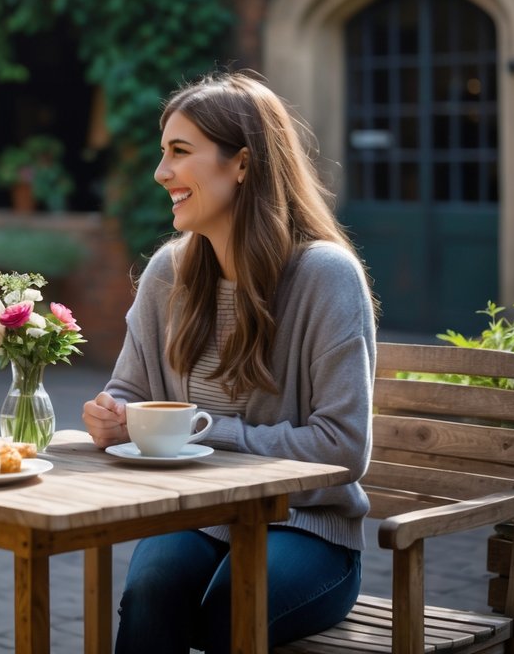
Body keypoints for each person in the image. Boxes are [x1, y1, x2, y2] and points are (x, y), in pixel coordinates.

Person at [82, 71, 376, 653]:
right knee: (150, 594)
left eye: (180, 153)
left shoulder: (324, 275)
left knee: (228, 609)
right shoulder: (169, 272)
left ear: (242, 164)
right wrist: (114, 417)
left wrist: (203, 430)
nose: (161, 172)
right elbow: (128, 391)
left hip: (307, 530)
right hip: (200, 520)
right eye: (163, 153)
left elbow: (343, 445)